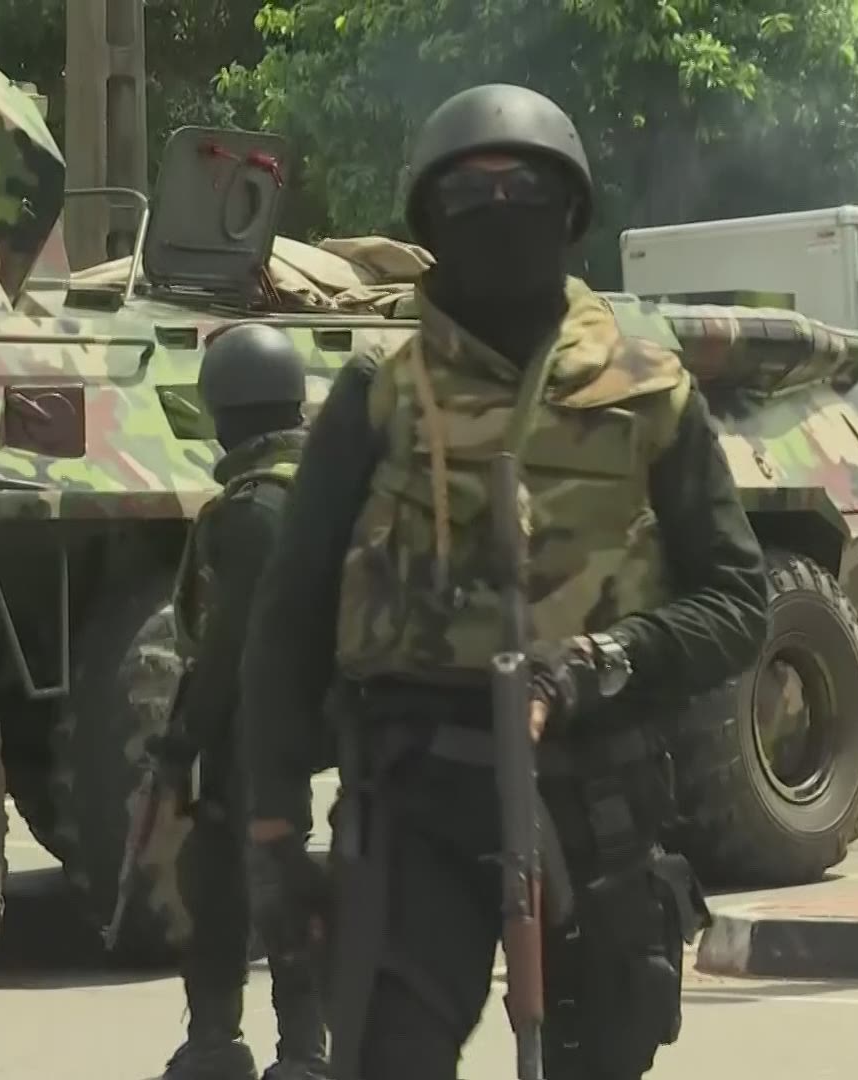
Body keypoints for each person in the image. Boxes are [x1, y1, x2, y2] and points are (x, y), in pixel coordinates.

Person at [235, 83, 773, 1080]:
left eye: (521, 189)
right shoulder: (380, 394)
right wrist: (272, 828)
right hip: (416, 798)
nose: (496, 210)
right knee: (388, 1056)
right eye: (467, 195)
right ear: (430, 223)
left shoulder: (649, 393)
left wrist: (599, 663)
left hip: (597, 792)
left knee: (604, 1050)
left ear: (567, 213)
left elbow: (739, 602)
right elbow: (289, 615)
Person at [152, 323, 331, 1080]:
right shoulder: (324, 488)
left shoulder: (252, 509)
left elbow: (229, 651)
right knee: (262, 875)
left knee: (235, 884)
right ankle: (278, 1049)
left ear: (226, 413)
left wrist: (183, 739)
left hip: (254, 731)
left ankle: (249, 1045)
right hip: (314, 718)